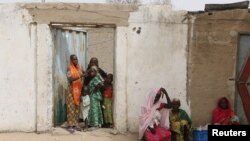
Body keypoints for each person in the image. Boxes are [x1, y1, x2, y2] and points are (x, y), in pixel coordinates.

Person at [66, 54, 84, 133]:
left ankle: (76, 124)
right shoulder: (69, 68)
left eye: (76, 59)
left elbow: (83, 76)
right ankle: (70, 125)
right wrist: (80, 76)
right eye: (74, 59)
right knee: (71, 108)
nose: (75, 61)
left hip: (78, 91)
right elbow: (70, 79)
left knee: (77, 108)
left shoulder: (80, 68)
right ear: (71, 60)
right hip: (71, 91)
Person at [88, 66, 104, 130]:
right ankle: (97, 123)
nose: (91, 73)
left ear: (95, 72)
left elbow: (101, 84)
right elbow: (102, 81)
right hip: (94, 95)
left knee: (94, 109)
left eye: (93, 71)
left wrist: (96, 88)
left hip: (94, 96)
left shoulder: (95, 78)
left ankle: (95, 125)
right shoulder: (95, 78)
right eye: (91, 71)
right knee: (96, 109)